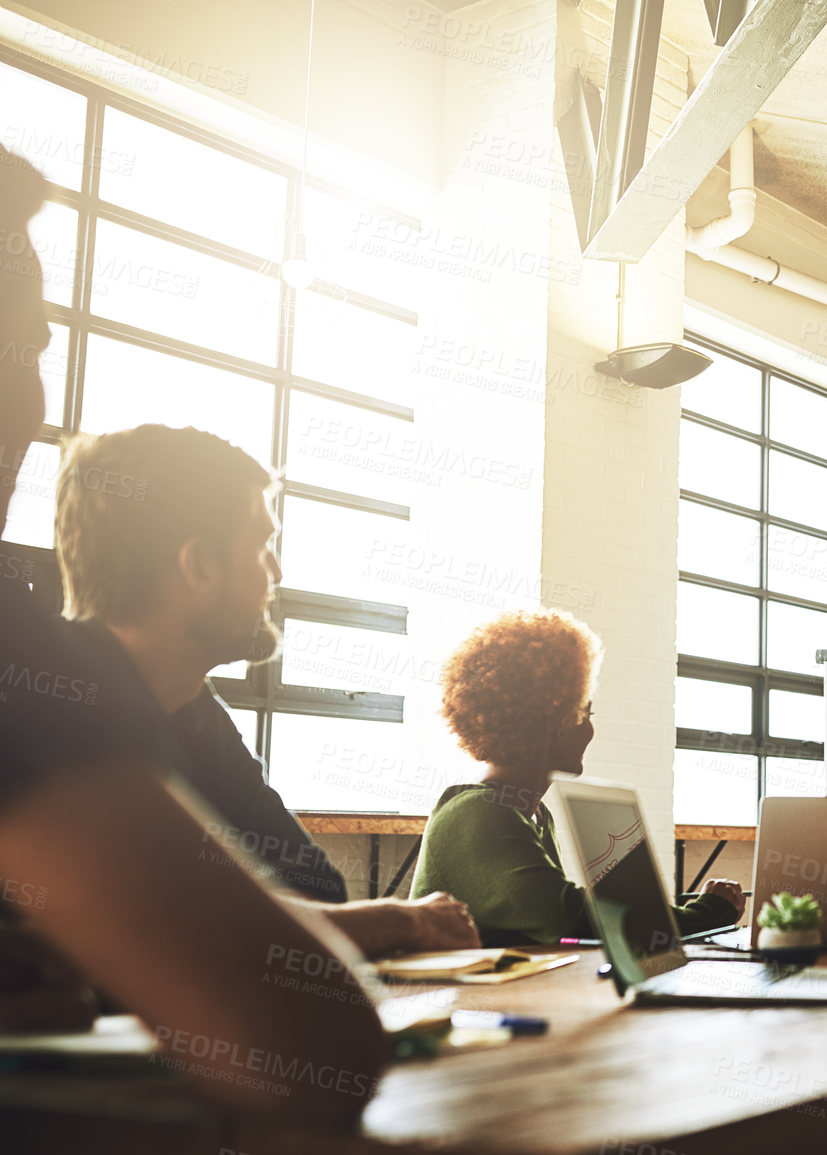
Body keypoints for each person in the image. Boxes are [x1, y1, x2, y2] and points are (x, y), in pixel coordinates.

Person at [0, 145, 386, 1119]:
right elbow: (313, 1036)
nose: (29, 405)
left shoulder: (193, 723)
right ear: (195, 564)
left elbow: (308, 900)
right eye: (25, 349)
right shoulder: (31, 671)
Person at [52, 423, 481, 958]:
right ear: (200, 566)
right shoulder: (52, 711)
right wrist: (399, 922)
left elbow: (314, 889)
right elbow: (171, 920)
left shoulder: (196, 713)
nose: (275, 572)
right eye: (261, 546)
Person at [411, 610, 745, 946]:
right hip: (455, 998)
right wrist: (709, 911)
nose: (589, 728)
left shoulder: (536, 816)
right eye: (586, 713)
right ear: (554, 720)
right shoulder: (479, 813)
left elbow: (563, 926)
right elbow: (572, 920)